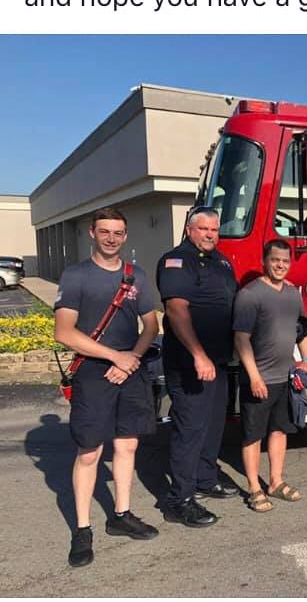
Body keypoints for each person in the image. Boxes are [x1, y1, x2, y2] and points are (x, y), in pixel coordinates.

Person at [54, 207, 160, 568]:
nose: (111, 238)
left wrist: (131, 357)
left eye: (118, 232)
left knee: (127, 445)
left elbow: (151, 326)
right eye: (105, 232)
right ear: (92, 233)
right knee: (89, 452)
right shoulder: (76, 276)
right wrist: (115, 357)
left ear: (125, 236)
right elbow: (65, 332)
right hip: (93, 375)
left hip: (129, 370)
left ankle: (121, 515)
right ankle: (82, 530)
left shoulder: (137, 277)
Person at [157, 206, 239, 528]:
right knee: (189, 429)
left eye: (214, 229)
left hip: (217, 361)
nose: (209, 234)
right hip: (190, 362)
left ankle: (206, 479)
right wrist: (198, 354)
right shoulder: (176, 261)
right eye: (203, 229)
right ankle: (179, 499)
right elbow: (177, 311)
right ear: (190, 230)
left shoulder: (222, 261)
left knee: (214, 423)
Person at [233, 238, 307, 513]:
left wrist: (305, 361)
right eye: (275, 260)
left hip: (285, 377)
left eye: (285, 261)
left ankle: (275, 482)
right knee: (253, 436)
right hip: (259, 379)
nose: (280, 265)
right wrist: (254, 377)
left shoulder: (293, 293)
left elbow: (304, 329)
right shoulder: (250, 295)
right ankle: (254, 488)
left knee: (279, 430)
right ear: (264, 261)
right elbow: (241, 340)